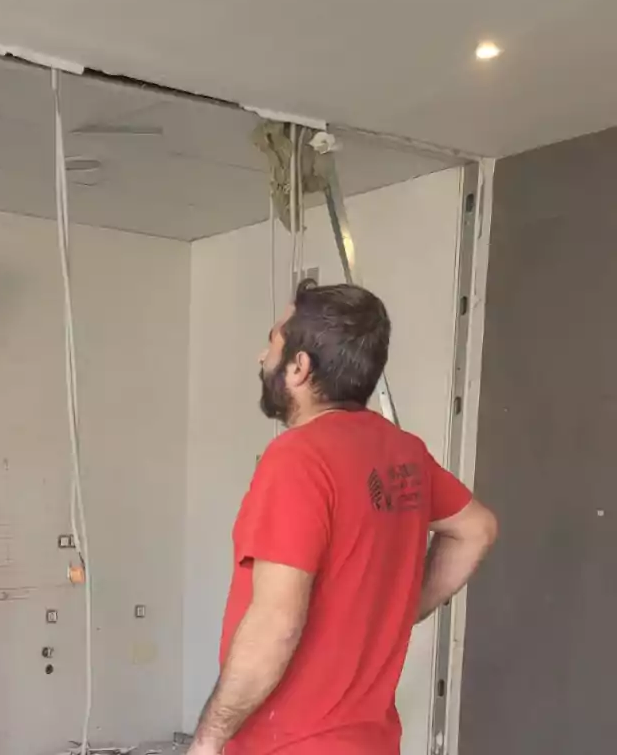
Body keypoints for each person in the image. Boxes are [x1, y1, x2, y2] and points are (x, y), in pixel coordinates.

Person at [189, 280, 498, 755]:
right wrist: (397, 612)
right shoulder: (403, 452)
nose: (260, 358)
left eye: (271, 344)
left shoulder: (297, 458)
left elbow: (277, 624)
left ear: (299, 367)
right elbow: (476, 528)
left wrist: (208, 740)